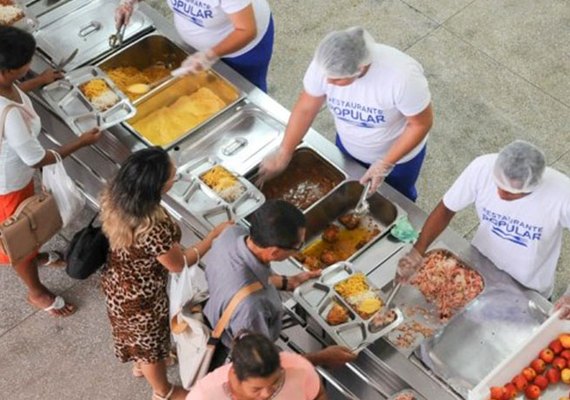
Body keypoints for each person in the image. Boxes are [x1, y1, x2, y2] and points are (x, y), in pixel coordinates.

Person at [99, 147, 232, 400]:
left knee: (138, 339)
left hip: (118, 281)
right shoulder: (152, 226)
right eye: (172, 176)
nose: (175, 177)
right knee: (151, 346)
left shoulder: (116, 197)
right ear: (157, 187)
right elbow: (179, 263)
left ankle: (141, 364)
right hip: (141, 297)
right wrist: (213, 237)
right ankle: (164, 391)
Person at [258, 26, 433, 201]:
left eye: (336, 79)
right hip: (348, 146)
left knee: (398, 199)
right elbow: (306, 108)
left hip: (398, 158)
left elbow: (420, 124)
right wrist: (285, 151)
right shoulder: (325, 66)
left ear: (361, 68)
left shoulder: (402, 77)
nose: (327, 82)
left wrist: (385, 163)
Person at [398, 140, 570, 315]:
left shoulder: (562, 195)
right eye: (498, 185)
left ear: (532, 187)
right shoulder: (482, 167)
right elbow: (446, 208)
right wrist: (417, 251)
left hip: (528, 285)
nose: (500, 194)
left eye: (511, 192)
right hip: (479, 269)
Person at [0, 26, 101, 317]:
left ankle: (36, 255)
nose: (31, 64)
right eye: (28, 62)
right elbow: (37, 158)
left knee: (28, 230)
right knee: (17, 241)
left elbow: (14, 93)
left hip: (13, 177)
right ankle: (36, 292)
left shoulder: (5, 84)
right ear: (9, 69)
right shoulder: (10, 117)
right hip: (8, 185)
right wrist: (80, 143)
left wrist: (41, 81)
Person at [203, 199, 357, 368]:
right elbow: (264, 364)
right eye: (298, 246)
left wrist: (289, 282)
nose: (299, 248)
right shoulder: (252, 307)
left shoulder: (232, 233)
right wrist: (322, 357)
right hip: (232, 350)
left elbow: (250, 274)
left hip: (220, 308)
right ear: (274, 252)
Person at [115, 0, 274, 92]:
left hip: (243, 50)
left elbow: (246, 30)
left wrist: (209, 55)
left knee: (247, 90)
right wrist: (129, 2)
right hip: (196, 42)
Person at [187, 331, 327, 400]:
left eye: (276, 382)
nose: (267, 394)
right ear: (234, 374)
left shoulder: (299, 368)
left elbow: (318, 395)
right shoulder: (204, 396)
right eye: (257, 389)